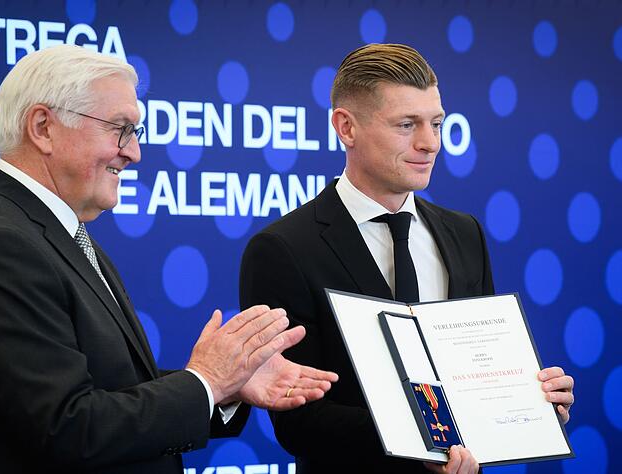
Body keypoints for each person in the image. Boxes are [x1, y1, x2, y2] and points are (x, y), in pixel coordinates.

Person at [0, 44, 337, 474]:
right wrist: (205, 381)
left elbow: (109, 391)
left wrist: (227, 385)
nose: (134, 152)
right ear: (43, 127)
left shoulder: (51, 232)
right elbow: (70, 429)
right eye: (120, 129)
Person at [239, 43, 575, 474]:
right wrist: (426, 442)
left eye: (436, 123)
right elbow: (297, 420)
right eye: (406, 125)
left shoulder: (464, 233)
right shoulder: (283, 248)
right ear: (346, 127)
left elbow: (480, 371)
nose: (429, 143)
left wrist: (531, 402)